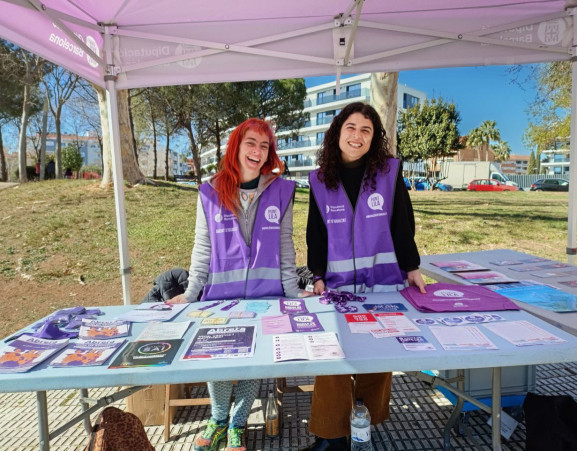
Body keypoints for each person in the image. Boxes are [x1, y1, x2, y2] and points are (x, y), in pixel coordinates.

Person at [167, 118, 299, 451]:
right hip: (219, 301)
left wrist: (297, 295)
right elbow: (202, 247)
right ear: (236, 147)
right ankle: (218, 418)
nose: (257, 151)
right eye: (251, 143)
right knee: (219, 360)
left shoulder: (281, 191)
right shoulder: (210, 192)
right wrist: (191, 292)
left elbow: (286, 247)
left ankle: (239, 424)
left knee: (252, 362)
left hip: (264, 298)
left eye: (264, 146)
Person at [303, 102, 426, 451]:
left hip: (383, 283)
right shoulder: (319, 179)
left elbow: (403, 223)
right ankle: (330, 437)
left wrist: (412, 266)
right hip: (339, 288)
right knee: (333, 357)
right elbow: (317, 233)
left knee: (376, 356)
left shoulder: (388, 172)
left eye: (366, 130)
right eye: (351, 128)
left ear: (374, 138)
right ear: (337, 133)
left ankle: (364, 425)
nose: (357, 136)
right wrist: (317, 275)